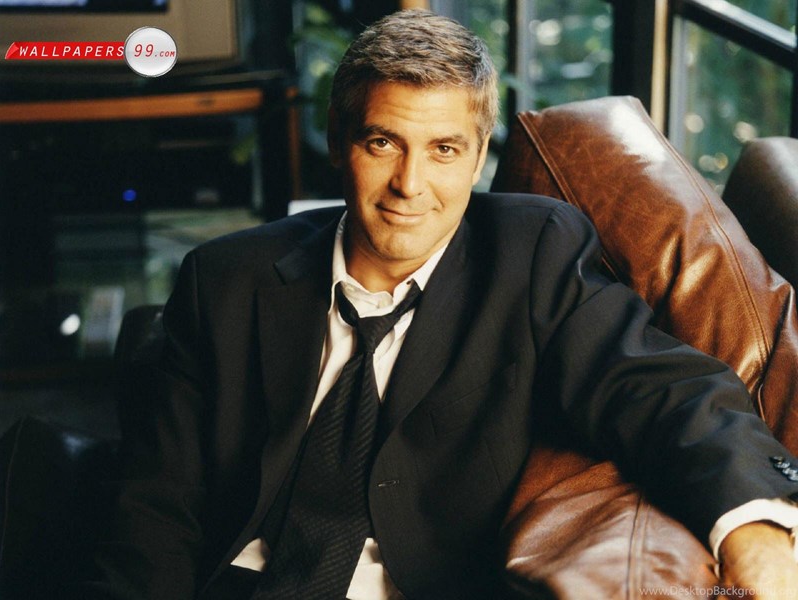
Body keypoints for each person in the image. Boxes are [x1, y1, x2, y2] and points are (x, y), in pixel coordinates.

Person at [84, 9, 798, 600]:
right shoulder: (225, 279)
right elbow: (156, 510)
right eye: (383, 142)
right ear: (338, 141)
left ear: (480, 155)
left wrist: (752, 526)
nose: (410, 184)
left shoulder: (532, 256)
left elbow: (658, 389)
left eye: (445, 150)